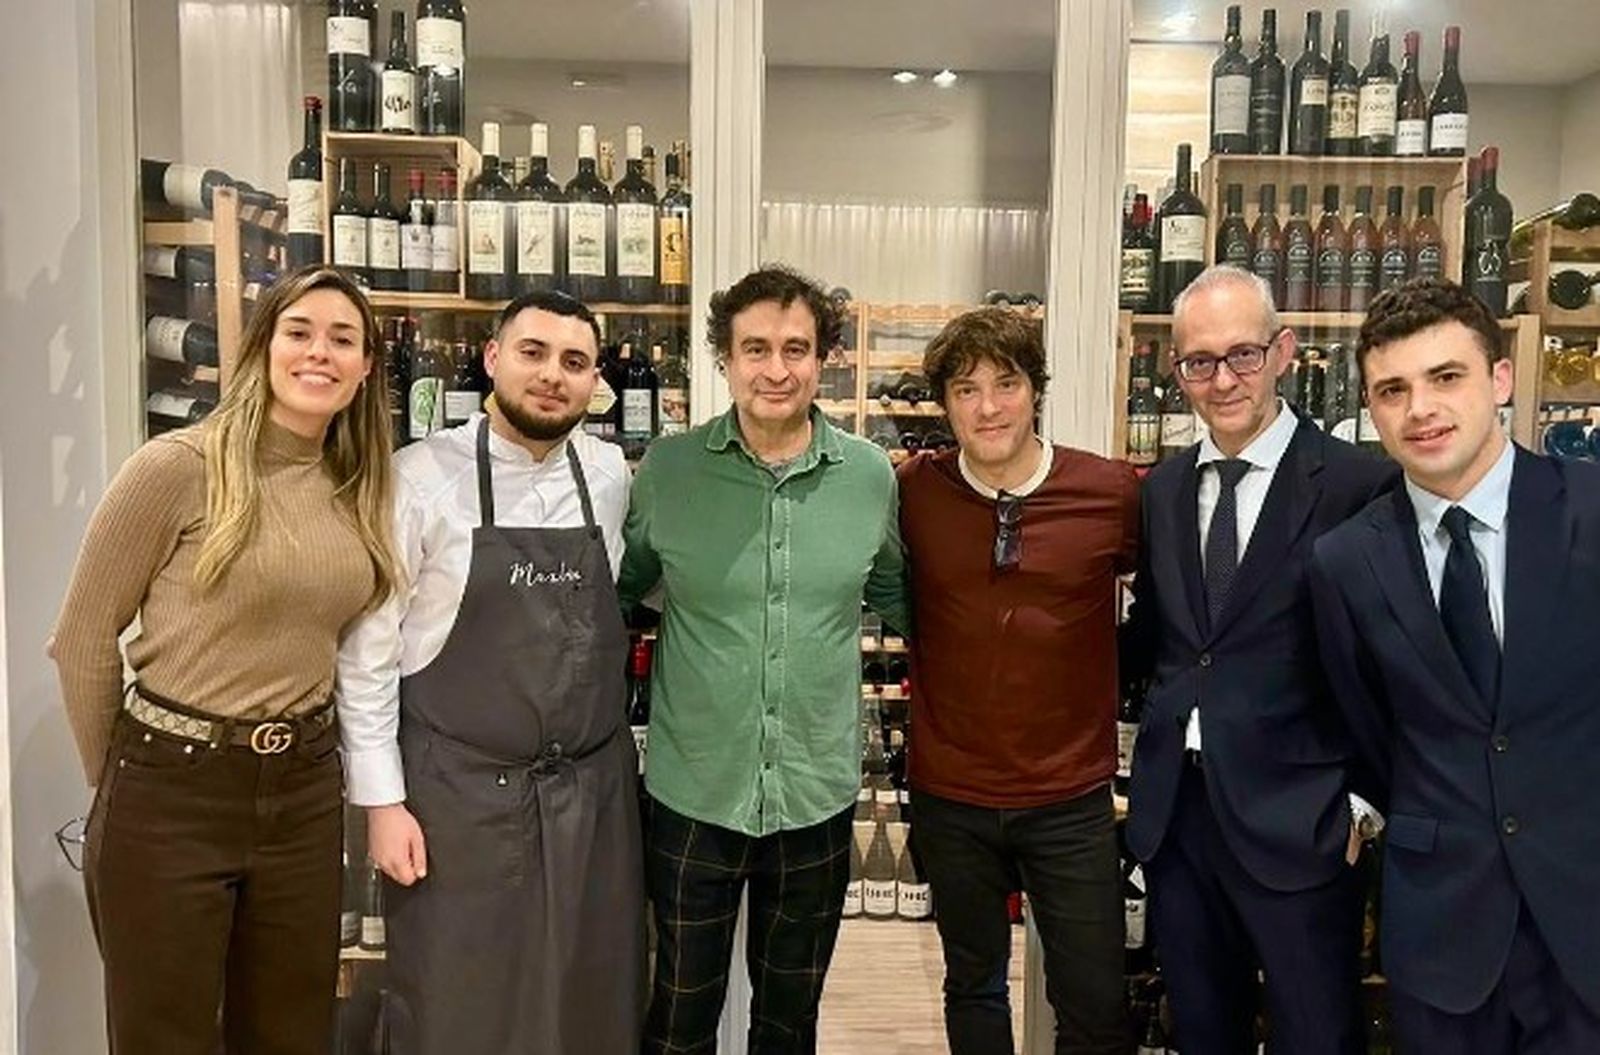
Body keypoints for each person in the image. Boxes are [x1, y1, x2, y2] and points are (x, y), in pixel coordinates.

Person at [50, 265, 402, 1054]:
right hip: (171, 787)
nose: (321, 353)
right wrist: (123, 786)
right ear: (264, 346)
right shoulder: (177, 468)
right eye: (300, 332)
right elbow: (79, 641)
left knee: (291, 1033)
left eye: (343, 339)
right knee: (163, 1035)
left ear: (368, 365)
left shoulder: (358, 484)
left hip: (305, 790)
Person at [336, 290, 642, 1053]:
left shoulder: (608, 476)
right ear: (493, 358)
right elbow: (369, 656)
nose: (552, 376)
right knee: (455, 1001)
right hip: (457, 802)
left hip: (591, 799)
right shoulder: (416, 478)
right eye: (533, 353)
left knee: (589, 999)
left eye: (574, 362)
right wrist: (382, 803)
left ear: (595, 380)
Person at [620, 265, 910, 1054]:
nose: (776, 369)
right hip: (692, 793)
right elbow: (621, 593)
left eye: (795, 348)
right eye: (755, 348)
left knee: (788, 1023)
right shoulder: (669, 472)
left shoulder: (869, 477)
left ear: (825, 360)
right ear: (725, 357)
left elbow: (898, 594)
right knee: (679, 1017)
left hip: (814, 796)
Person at [1311, 278, 1600, 1053]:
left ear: (1500, 380)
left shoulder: (1591, 509)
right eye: (1393, 389)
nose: (1421, 409)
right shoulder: (1345, 561)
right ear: (1370, 408)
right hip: (1442, 931)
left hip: (1586, 918)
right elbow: (1371, 730)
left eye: (1446, 377)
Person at [1120, 265, 1394, 1055]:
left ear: (1285, 350)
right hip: (1179, 821)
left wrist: (1366, 800)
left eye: (1242, 354)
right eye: (1199, 362)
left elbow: (1389, 656)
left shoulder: (1356, 486)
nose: (1223, 379)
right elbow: (1159, 634)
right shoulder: (1163, 488)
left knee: (1317, 1035)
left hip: (1304, 816)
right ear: (1177, 372)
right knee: (1203, 1031)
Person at [896, 307, 1137, 1054]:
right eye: (966, 389)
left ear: (1036, 390)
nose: (989, 405)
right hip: (951, 793)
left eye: (1007, 383)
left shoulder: (1110, 492)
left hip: (1069, 796)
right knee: (972, 986)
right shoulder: (912, 492)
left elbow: (1169, 611)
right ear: (944, 405)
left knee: (1096, 1004)